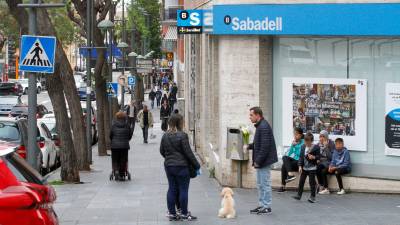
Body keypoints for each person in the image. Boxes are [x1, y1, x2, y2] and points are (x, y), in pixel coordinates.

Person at [160, 113, 200, 221]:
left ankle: (172, 213)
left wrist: (169, 158)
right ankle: (184, 213)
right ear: (179, 123)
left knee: (172, 189)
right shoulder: (182, 135)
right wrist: (197, 165)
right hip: (181, 167)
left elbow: (162, 151)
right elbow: (188, 153)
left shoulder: (165, 135)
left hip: (169, 166)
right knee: (183, 189)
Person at [244, 107, 278, 215]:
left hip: (264, 161)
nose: (250, 117)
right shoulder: (260, 126)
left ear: (258, 115)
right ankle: (262, 205)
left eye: (251, 115)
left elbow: (265, 147)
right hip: (261, 161)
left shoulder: (263, 127)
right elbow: (258, 144)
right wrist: (249, 146)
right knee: (260, 184)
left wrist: (258, 161)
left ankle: (266, 206)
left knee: (265, 183)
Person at [293, 132, 320, 203]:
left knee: (311, 183)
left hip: (312, 167)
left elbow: (318, 157)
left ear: (311, 141)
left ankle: (313, 197)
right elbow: (301, 157)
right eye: (305, 141)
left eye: (308, 141)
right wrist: (299, 166)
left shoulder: (316, 147)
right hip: (304, 167)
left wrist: (314, 157)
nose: (306, 143)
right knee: (301, 181)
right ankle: (299, 195)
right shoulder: (303, 146)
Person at [277, 127, 304, 193]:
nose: (295, 136)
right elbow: (289, 154)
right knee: (284, 158)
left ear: (300, 135)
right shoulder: (294, 142)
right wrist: (292, 146)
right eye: (294, 134)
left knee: (284, 165)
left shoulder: (303, 143)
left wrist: (297, 145)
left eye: (296, 134)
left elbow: (301, 154)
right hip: (294, 161)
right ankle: (289, 175)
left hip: (300, 163)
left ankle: (283, 185)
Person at [110, 112, 132, 181]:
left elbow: (110, 135)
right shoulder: (127, 125)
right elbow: (130, 135)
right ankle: (122, 174)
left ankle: (116, 170)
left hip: (115, 146)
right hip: (124, 146)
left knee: (115, 159)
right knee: (123, 159)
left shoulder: (113, 126)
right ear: (124, 117)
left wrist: (113, 141)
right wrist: (126, 140)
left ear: (117, 117)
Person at [317, 130, 335, 194]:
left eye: (323, 136)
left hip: (329, 162)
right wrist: (317, 158)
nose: (321, 138)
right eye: (320, 136)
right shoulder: (318, 144)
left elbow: (331, 157)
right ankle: (322, 185)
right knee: (318, 167)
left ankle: (321, 185)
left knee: (319, 167)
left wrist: (326, 147)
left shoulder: (331, 143)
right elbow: (316, 155)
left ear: (326, 137)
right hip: (321, 162)